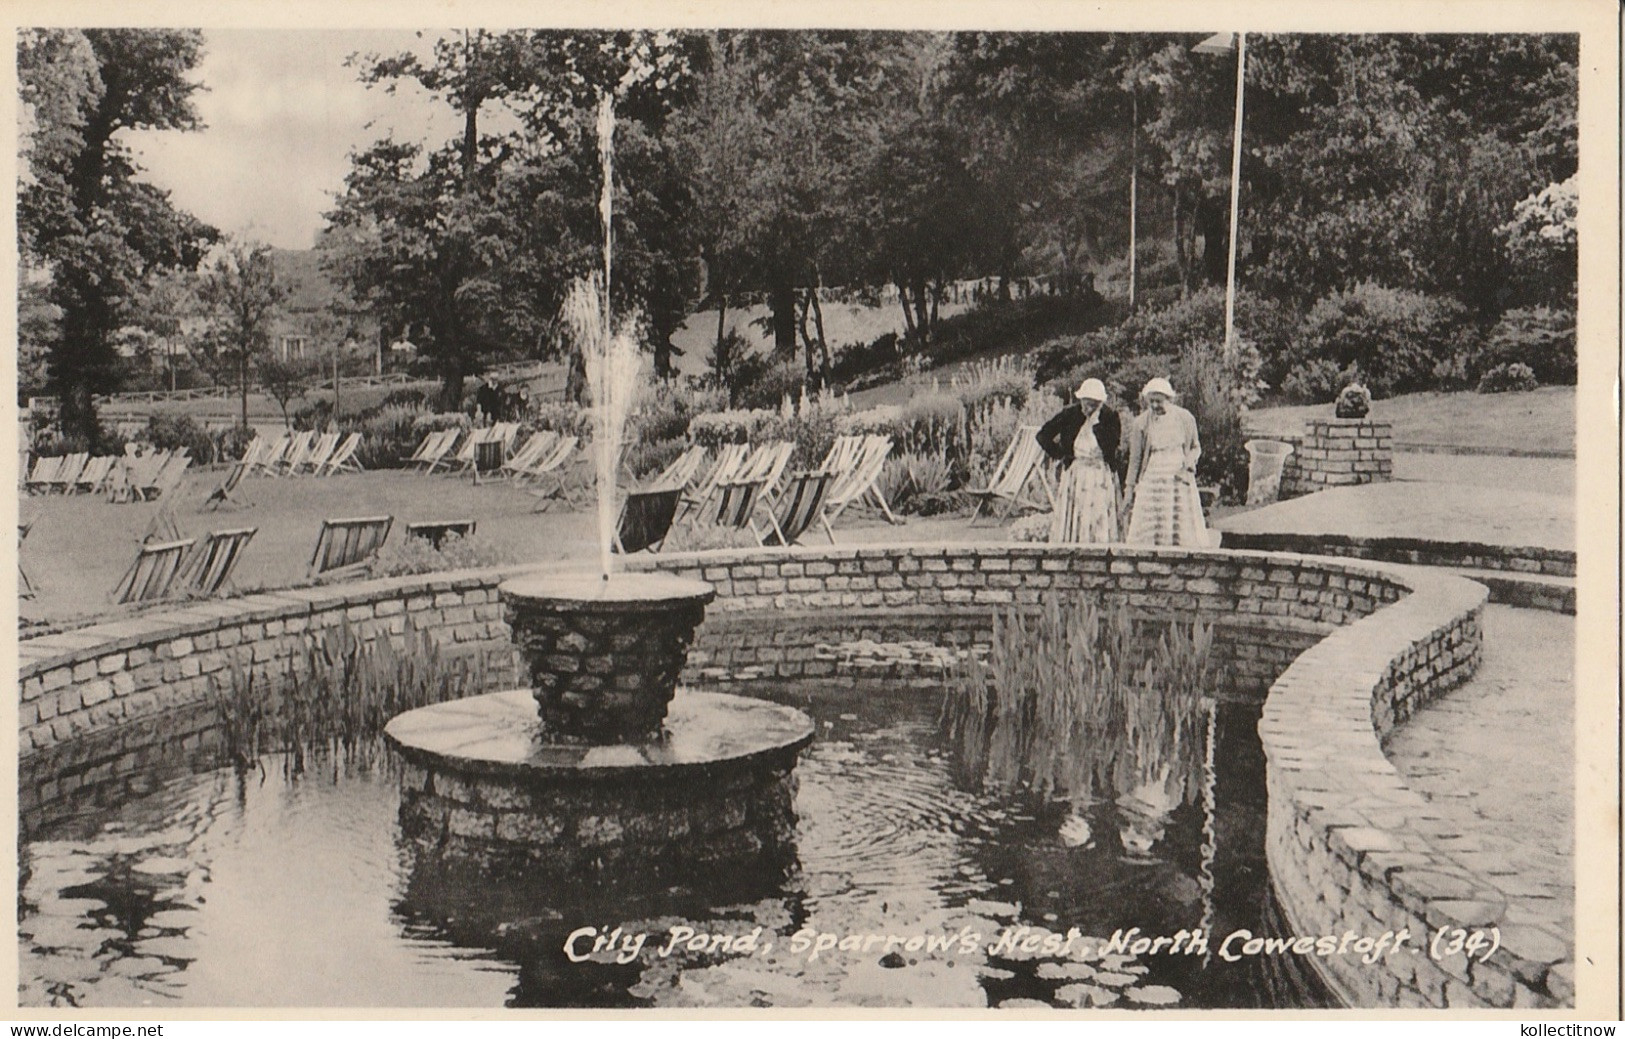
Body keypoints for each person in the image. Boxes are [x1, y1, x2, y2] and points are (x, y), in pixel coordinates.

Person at [1123, 377, 1213, 547]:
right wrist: (1129, 489)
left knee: (1178, 520)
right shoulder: (1141, 423)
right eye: (1151, 402)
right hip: (1153, 475)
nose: (1155, 406)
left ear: (1169, 399)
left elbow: (1196, 447)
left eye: (1159, 401)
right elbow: (1134, 460)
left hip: (1178, 475)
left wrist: (1190, 461)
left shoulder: (1185, 418)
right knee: (1152, 522)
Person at [1036, 377, 1122, 544]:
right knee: (1078, 511)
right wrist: (1061, 454)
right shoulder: (1070, 414)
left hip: (1100, 474)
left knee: (1098, 512)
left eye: (1093, 404)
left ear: (1100, 403)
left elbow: (1112, 447)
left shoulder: (1110, 417)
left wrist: (1096, 425)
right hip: (1077, 473)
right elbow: (1043, 434)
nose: (1088, 408)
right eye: (1085, 403)